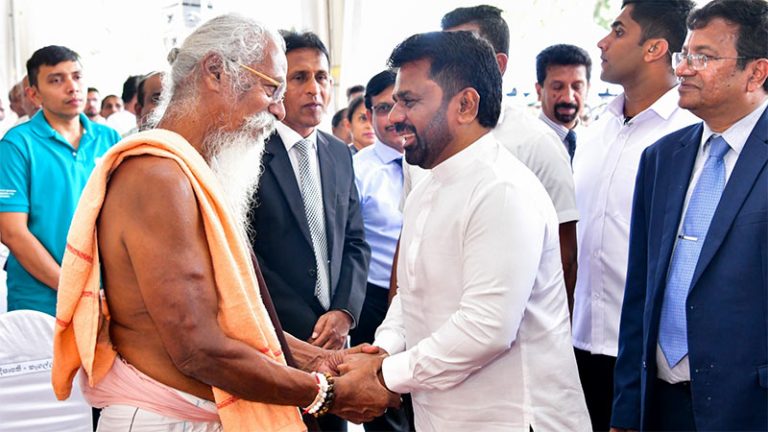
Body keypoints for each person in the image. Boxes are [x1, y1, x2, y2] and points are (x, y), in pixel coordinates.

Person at [51, 14, 397, 431]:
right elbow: (199, 348)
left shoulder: (191, 170)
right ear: (215, 72)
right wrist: (324, 392)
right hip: (164, 419)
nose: (278, 109)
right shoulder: (159, 176)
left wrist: (324, 359)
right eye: (271, 88)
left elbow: (237, 321)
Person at [344, 30, 590, 432]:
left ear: (465, 104)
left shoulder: (502, 190)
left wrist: (385, 375)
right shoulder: (427, 184)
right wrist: (382, 348)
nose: (393, 118)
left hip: (511, 417)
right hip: (441, 414)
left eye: (409, 101)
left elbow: (487, 328)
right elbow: (413, 293)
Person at [612, 1, 768, 430]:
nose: (682, 69)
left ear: (756, 72)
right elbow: (639, 293)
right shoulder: (662, 158)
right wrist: (627, 410)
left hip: (749, 411)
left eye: (704, 57)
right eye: (685, 54)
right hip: (661, 407)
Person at [398, 4, 579, 310]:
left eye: (463, 47)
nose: (447, 57)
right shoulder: (420, 148)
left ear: (498, 63)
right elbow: (408, 254)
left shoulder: (537, 145)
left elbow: (564, 256)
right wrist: (391, 340)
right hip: (430, 335)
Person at [571, 1, 698, 430]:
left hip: (647, 362)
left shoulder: (689, 136)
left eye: (619, 31)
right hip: (575, 346)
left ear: (655, 48)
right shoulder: (594, 134)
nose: (602, 42)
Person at [246, 29, 370, 432]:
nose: (313, 88)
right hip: (275, 339)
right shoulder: (250, 152)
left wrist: (344, 313)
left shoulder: (338, 152)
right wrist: (307, 326)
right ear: (277, 86)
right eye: (299, 78)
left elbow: (354, 241)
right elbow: (246, 255)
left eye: (321, 77)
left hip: (335, 340)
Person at [0, 45, 121, 316]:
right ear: (34, 94)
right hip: (41, 300)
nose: (72, 87)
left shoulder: (109, 139)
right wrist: (72, 289)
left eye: (76, 77)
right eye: (56, 80)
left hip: (104, 295)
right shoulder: (17, 145)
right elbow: (12, 232)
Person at [351, 69, 411, 432]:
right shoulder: (357, 170)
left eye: (400, 103)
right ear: (369, 113)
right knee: (381, 400)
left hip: (422, 292)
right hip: (373, 298)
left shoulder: (432, 159)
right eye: (382, 107)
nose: (392, 117)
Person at [535, 44, 592, 161]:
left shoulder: (596, 143)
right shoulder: (522, 146)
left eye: (577, 87)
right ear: (539, 91)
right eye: (557, 87)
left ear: (587, 90)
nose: (568, 98)